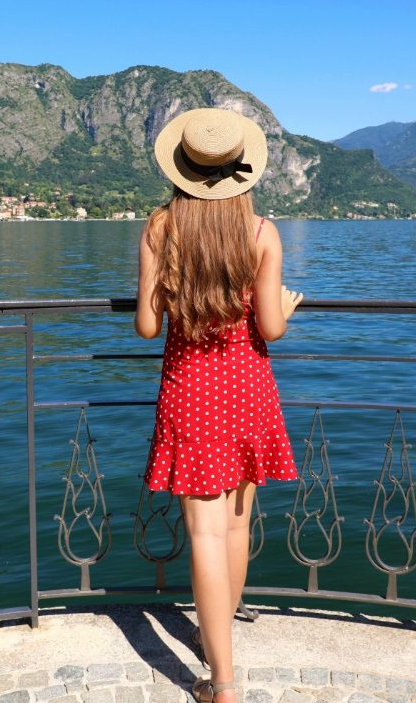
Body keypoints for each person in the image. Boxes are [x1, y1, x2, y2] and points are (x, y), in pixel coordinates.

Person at [135, 108, 302, 703]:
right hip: (247, 390)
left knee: (205, 534)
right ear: (242, 171)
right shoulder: (262, 234)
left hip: (190, 392)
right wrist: (284, 302)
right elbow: (271, 329)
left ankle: (222, 681)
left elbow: (148, 326)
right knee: (235, 525)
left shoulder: (160, 229)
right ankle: (218, 648)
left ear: (181, 170)